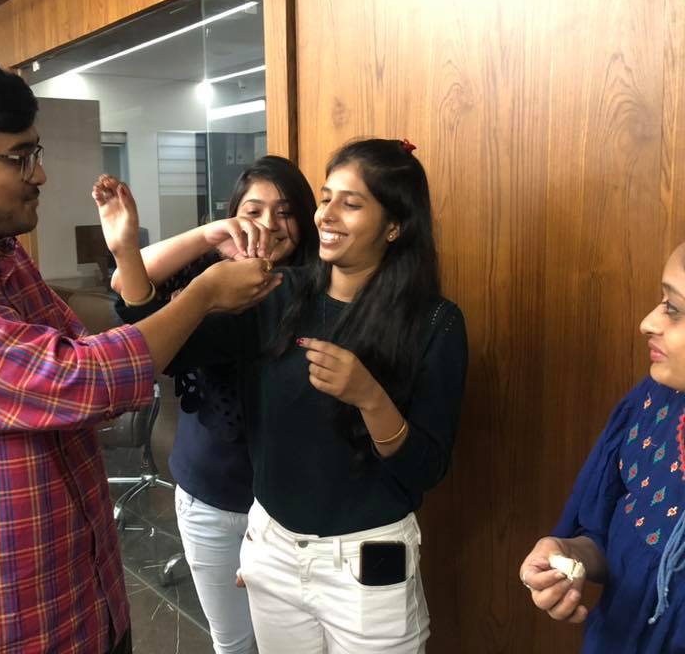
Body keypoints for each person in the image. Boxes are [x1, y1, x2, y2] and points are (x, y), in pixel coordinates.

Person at [0, 42, 281, 654]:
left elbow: (88, 356)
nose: (39, 175)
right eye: (19, 158)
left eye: (35, 154)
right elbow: (78, 379)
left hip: (80, 597)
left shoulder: (1, 257)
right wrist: (204, 294)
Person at [98, 138, 468, 653]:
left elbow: (425, 468)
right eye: (326, 198)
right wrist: (126, 252)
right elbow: (172, 351)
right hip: (272, 551)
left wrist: (371, 398)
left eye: (351, 203)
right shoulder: (279, 292)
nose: (326, 216)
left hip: (367, 562)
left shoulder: (434, 323)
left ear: (394, 225)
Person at [107, 157, 318, 653]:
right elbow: (130, 291)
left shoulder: (322, 289)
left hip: (296, 509)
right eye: (253, 211)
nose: (269, 224)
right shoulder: (210, 279)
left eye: (285, 211)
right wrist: (207, 235)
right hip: (214, 498)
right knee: (234, 642)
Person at [519, 243, 685, 653]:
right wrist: (566, 555)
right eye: (662, 301)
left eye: (674, 309)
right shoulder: (651, 404)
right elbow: (603, 536)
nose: (648, 322)